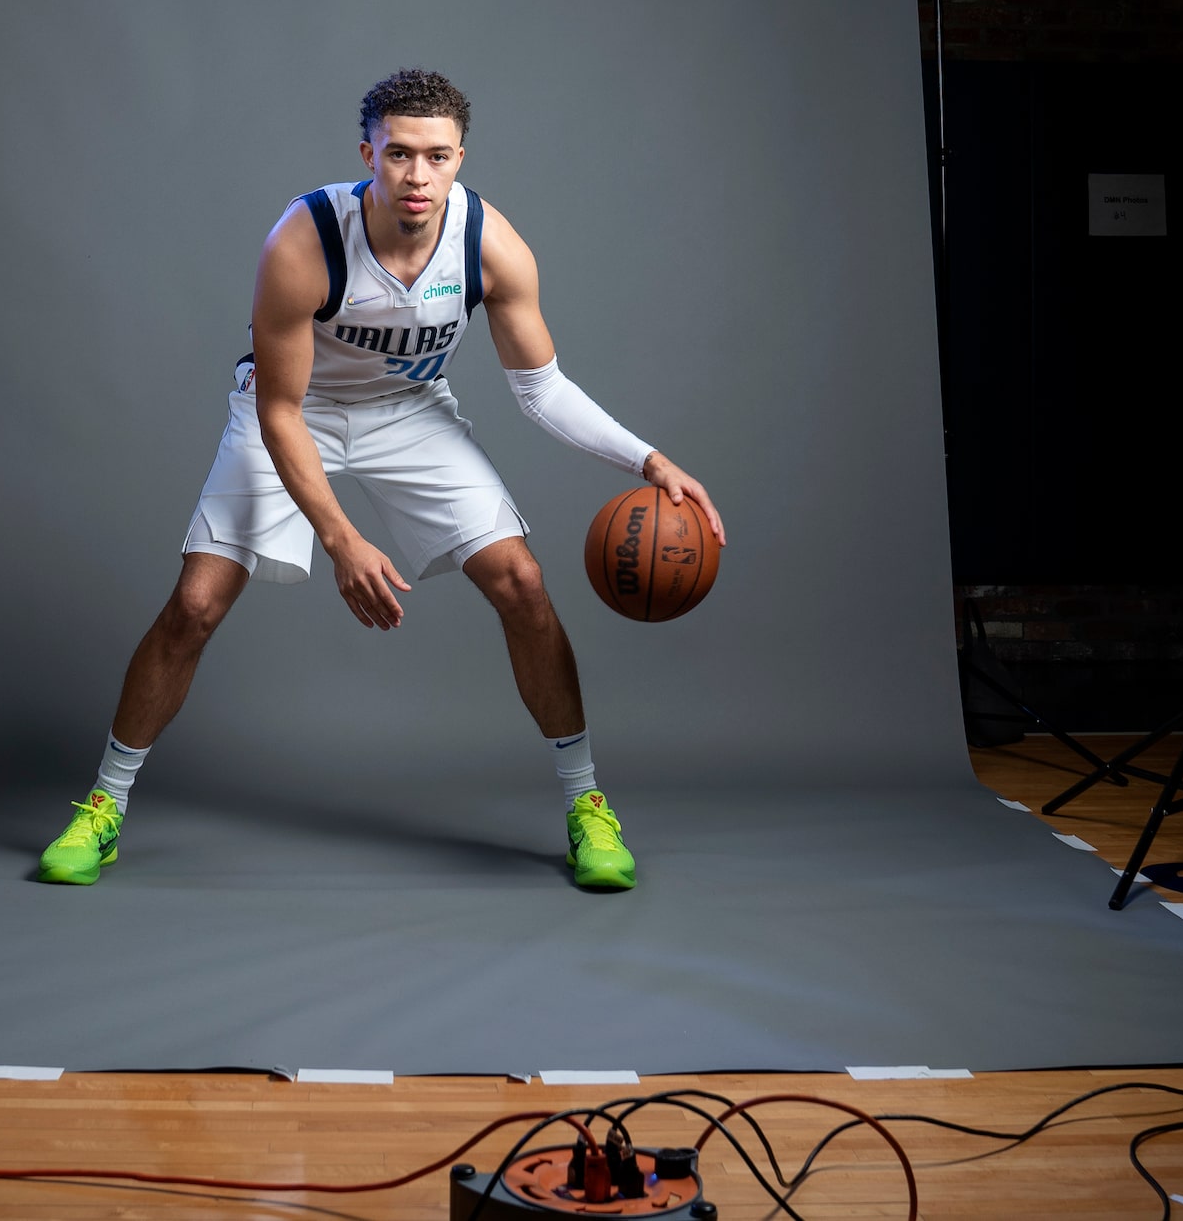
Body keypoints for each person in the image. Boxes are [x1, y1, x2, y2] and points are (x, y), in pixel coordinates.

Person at [37, 68, 725, 892]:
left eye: (436, 157)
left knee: (522, 583)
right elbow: (281, 409)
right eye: (398, 154)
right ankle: (102, 809)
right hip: (293, 413)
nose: (416, 176)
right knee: (195, 604)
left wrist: (648, 461)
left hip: (410, 413)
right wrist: (341, 538)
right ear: (367, 151)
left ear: (460, 159)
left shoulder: (489, 244)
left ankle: (586, 807)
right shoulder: (304, 241)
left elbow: (539, 389)